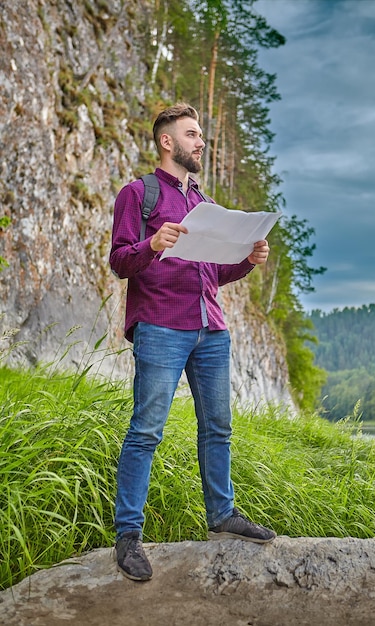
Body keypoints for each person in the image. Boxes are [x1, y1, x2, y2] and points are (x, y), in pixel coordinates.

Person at [109, 102, 276, 582]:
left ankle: (222, 516)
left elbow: (211, 272)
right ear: (168, 141)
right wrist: (152, 244)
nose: (200, 142)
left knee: (218, 427)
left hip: (211, 327)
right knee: (146, 430)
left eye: (200, 135)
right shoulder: (137, 195)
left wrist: (248, 260)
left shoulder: (203, 201)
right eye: (193, 134)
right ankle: (129, 535)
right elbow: (120, 261)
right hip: (160, 324)